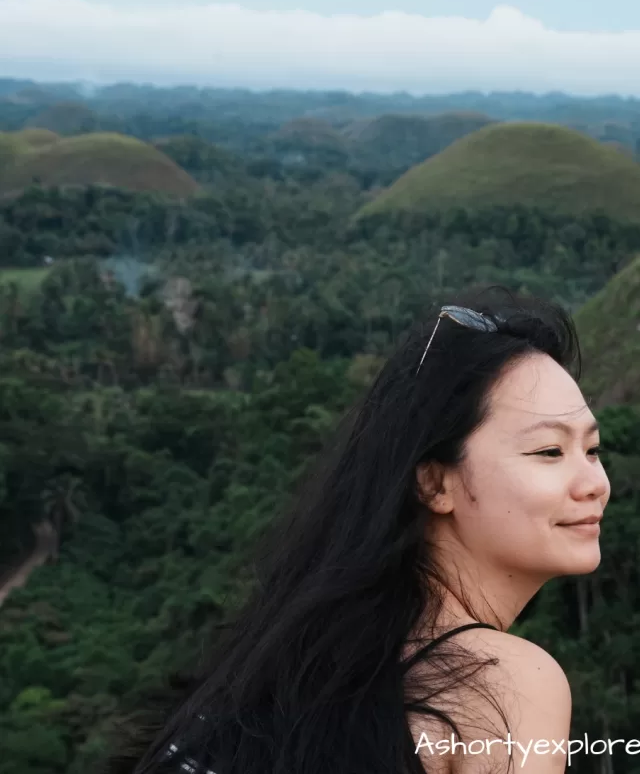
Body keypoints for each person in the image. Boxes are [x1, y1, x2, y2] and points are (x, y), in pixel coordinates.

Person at [109, 291, 610, 774]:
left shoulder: (291, 666)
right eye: (549, 451)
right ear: (434, 482)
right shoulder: (501, 686)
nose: (595, 484)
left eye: (592, 450)